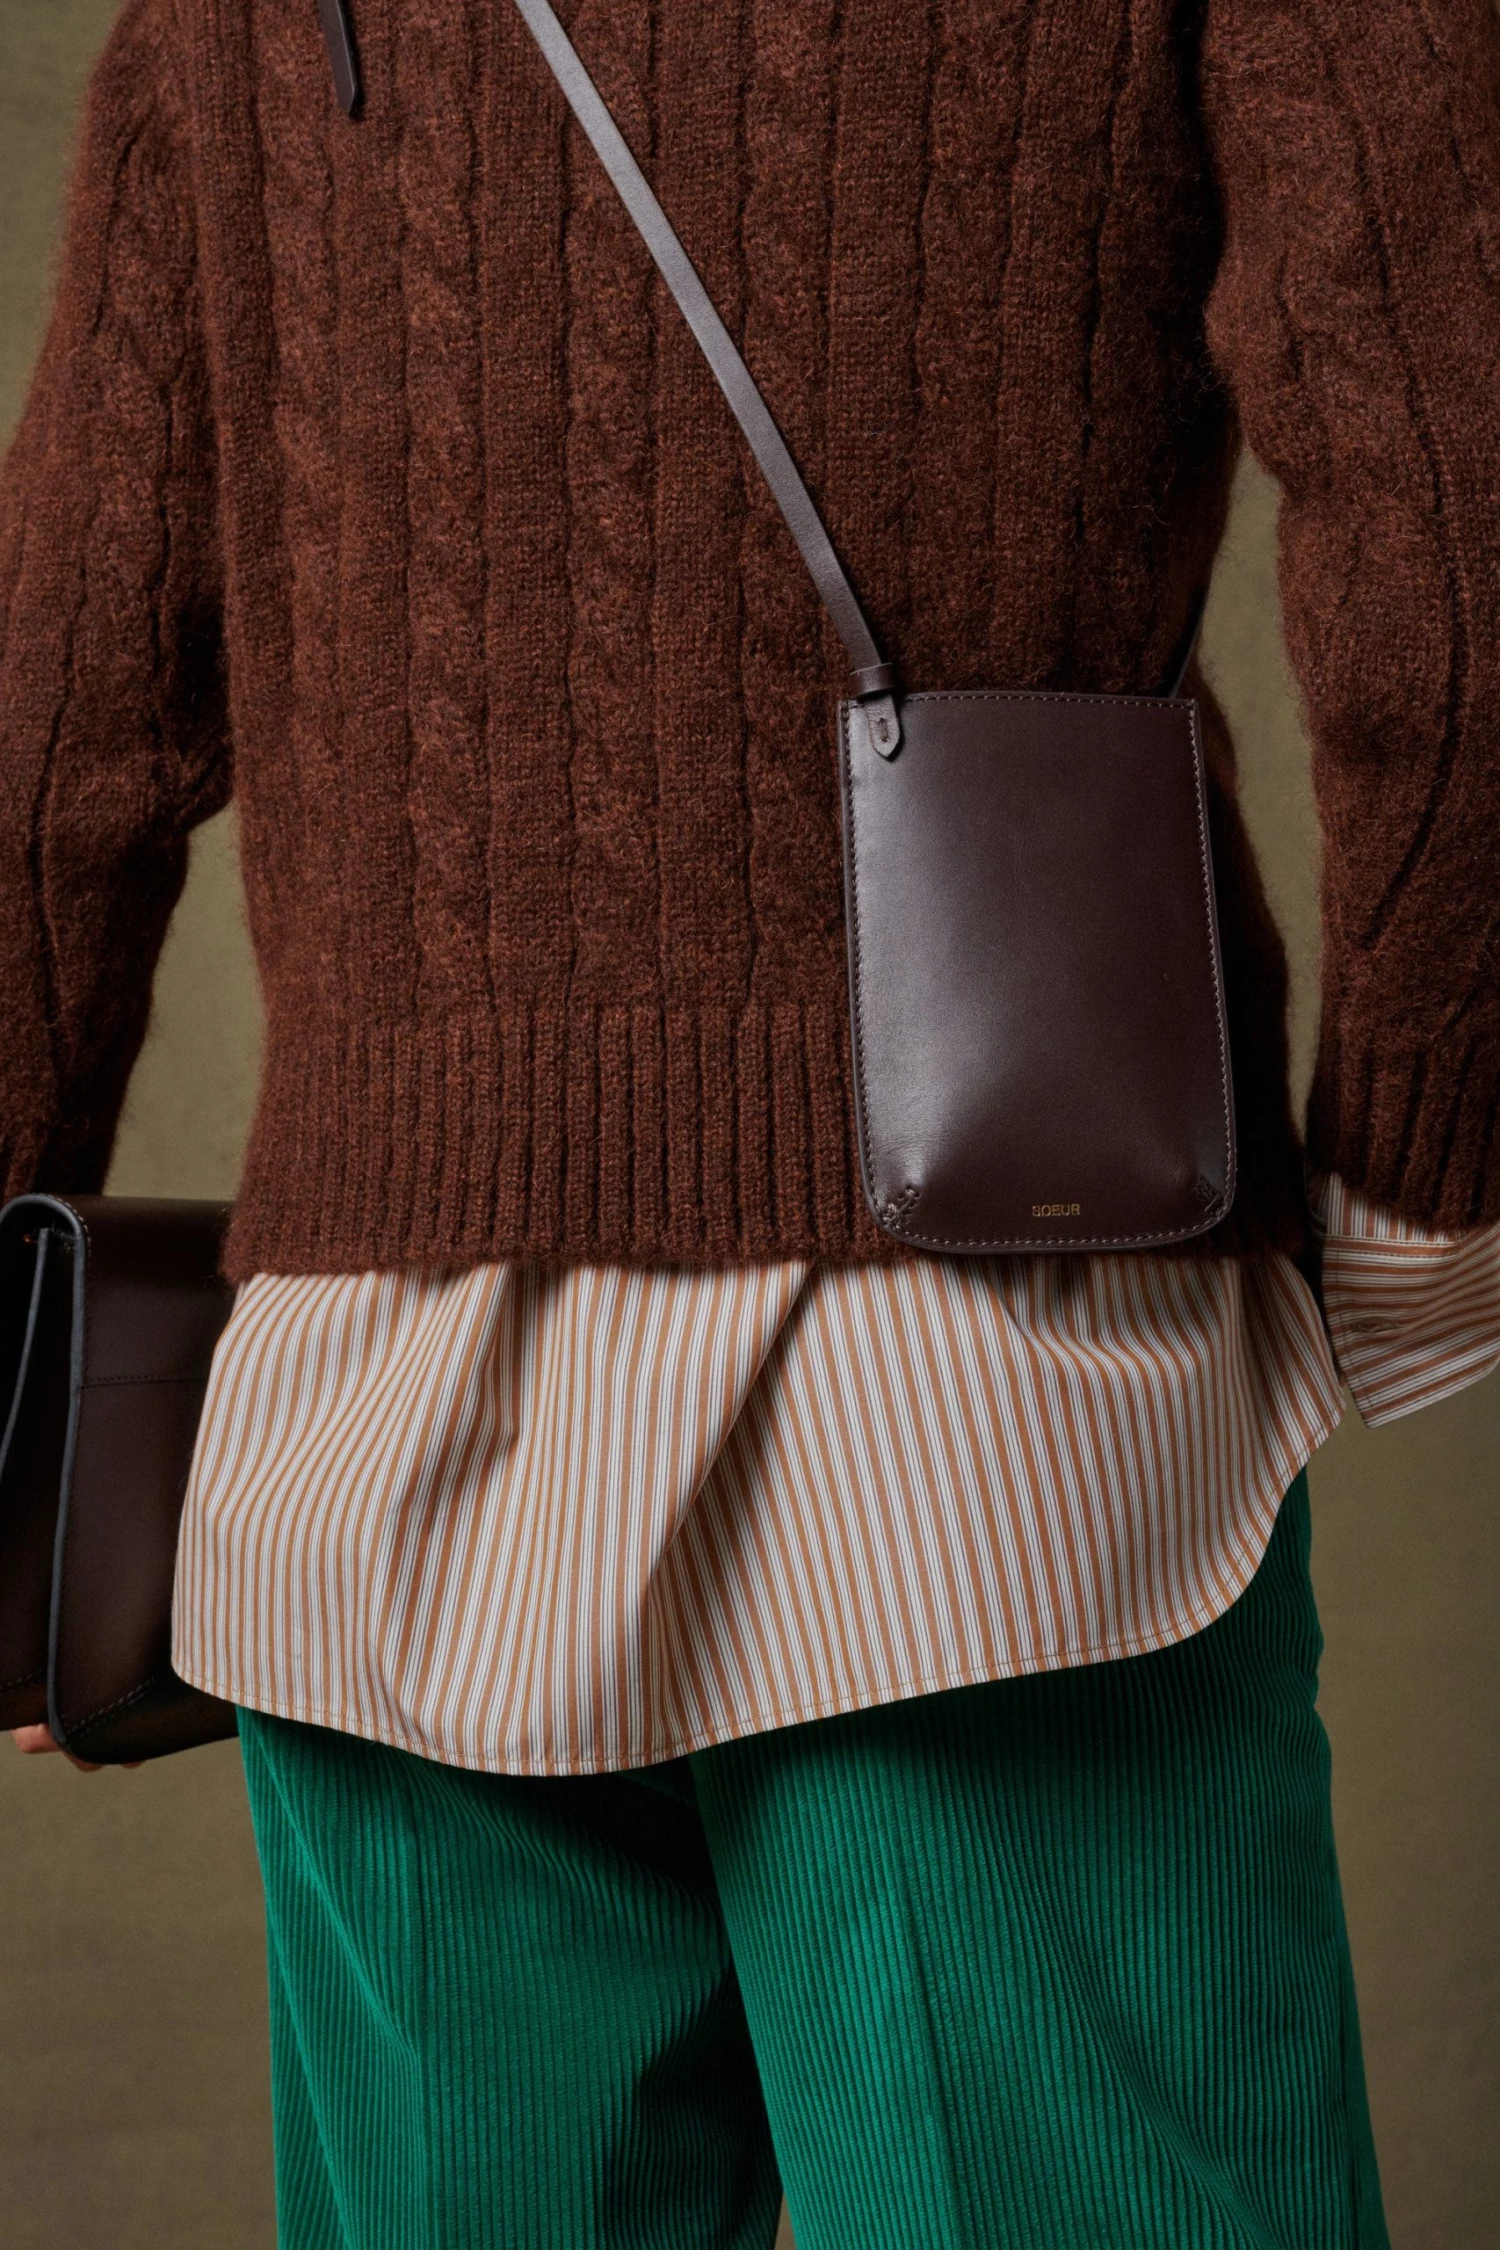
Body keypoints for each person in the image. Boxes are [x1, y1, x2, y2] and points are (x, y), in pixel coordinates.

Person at [5, 1, 1499, 2243]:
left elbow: (52, 719)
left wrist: (1, 1471)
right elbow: (1461, 538)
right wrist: (1416, 1195)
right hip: (1006, 1410)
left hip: (372, 1446)